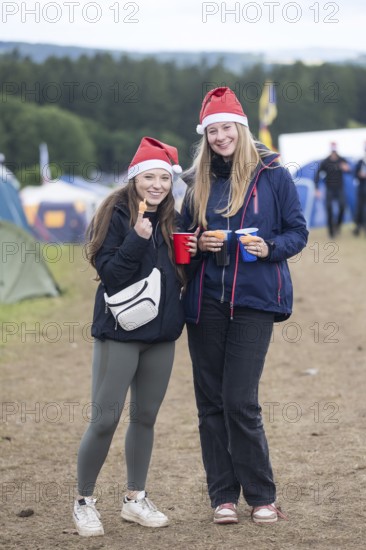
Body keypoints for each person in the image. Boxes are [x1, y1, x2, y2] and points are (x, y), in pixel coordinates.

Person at [181, 87, 308, 525]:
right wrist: (197, 243)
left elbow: (297, 232)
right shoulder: (195, 179)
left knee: (240, 400)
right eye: (212, 130)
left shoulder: (273, 173)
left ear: (241, 128)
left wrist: (268, 246)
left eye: (226, 128)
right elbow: (179, 242)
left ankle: (261, 495)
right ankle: (222, 496)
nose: (220, 137)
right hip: (204, 304)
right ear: (206, 136)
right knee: (210, 403)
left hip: (254, 301)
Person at [73, 137, 198, 537]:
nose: (158, 184)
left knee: (145, 418)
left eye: (165, 177)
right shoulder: (115, 213)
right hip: (120, 333)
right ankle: (84, 502)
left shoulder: (173, 219)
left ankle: (135, 499)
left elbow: (178, 277)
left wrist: (193, 252)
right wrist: (136, 238)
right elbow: (111, 275)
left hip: (161, 335)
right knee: (105, 419)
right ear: (134, 178)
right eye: (150, 177)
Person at [314, 142, 350, 237]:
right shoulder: (325, 162)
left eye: (335, 151)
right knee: (329, 208)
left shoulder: (342, 160)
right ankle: (331, 232)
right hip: (329, 188)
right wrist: (316, 189)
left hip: (339, 188)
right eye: (332, 151)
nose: (334, 153)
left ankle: (337, 226)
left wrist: (347, 168)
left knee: (342, 206)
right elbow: (317, 175)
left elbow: (351, 171)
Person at [353, 143, 366, 236]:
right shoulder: (360, 162)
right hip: (361, 189)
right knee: (360, 209)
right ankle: (358, 227)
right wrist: (359, 175)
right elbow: (355, 174)